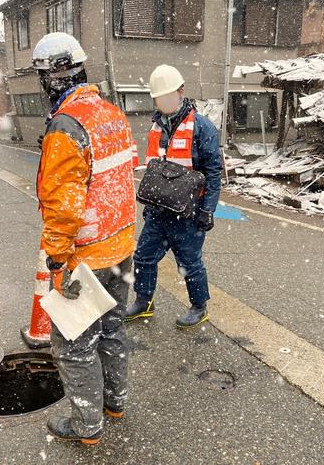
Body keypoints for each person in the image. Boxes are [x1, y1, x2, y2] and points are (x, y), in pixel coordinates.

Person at [33, 32, 136, 445]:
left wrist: (56, 259)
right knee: (111, 330)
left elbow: (65, 206)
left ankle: (87, 427)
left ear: (48, 78)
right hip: (121, 249)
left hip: (85, 256)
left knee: (73, 345)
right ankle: (115, 402)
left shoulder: (66, 126)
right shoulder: (111, 113)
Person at [125, 65, 222, 329]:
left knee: (189, 263)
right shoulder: (156, 127)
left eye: (169, 95)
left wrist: (208, 209)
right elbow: (154, 167)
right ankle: (143, 302)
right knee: (144, 256)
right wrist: (150, 205)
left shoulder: (202, 128)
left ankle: (199, 307)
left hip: (189, 212)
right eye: (159, 97)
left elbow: (214, 172)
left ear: (181, 92)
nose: (164, 101)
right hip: (159, 210)